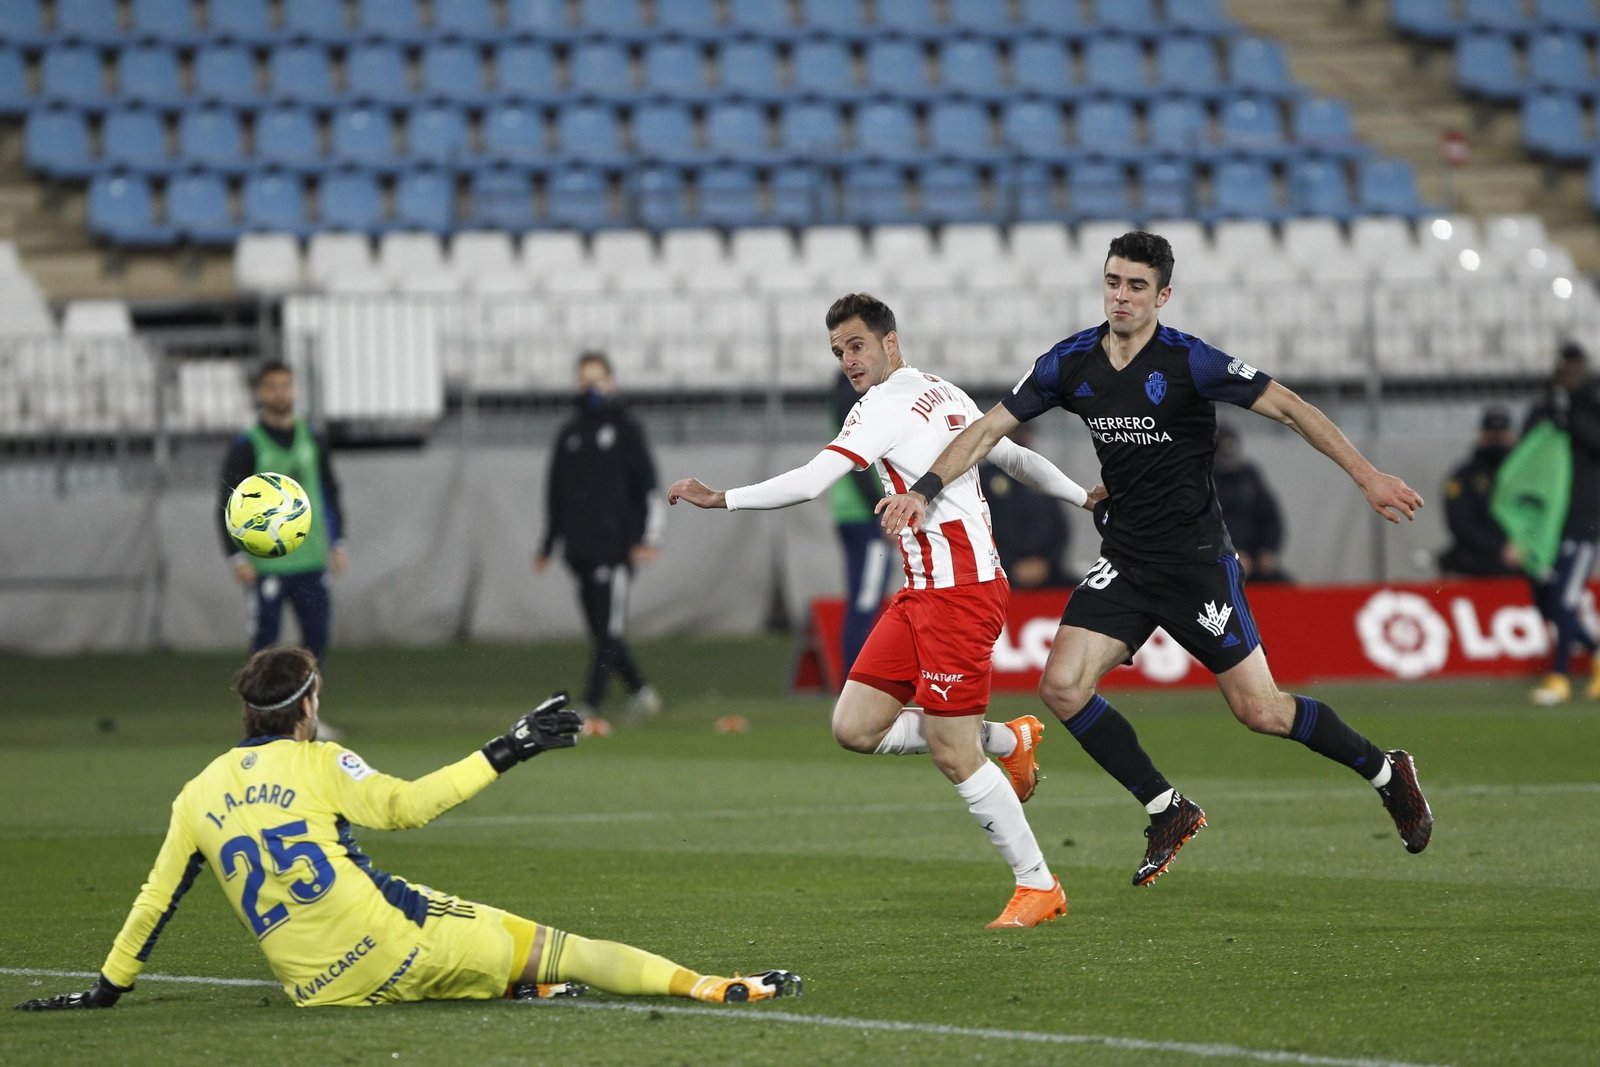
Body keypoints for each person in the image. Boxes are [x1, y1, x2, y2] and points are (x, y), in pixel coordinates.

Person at [876, 232, 1434, 888]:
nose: (1122, 295)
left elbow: (1290, 406)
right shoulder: (1070, 362)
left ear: (1162, 295)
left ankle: (1384, 770)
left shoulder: (1190, 361)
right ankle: (1167, 808)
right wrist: (924, 489)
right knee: (1061, 686)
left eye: (1137, 285)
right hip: (1128, 560)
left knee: (1261, 710)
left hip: (1197, 563)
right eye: (1114, 281)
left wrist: (1366, 476)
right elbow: (987, 429)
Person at [14, 647, 800, 1012]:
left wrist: (107, 989)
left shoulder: (196, 793)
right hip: (396, 945)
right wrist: (512, 745)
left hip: (317, 987)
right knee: (565, 946)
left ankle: (513, 980)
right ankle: (715, 985)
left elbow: (157, 899)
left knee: (442, 920)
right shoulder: (319, 759)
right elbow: (411, 805)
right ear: (307, 705)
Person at [668, 293, 1100, 929]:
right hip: (919, 593)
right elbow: (1011, 454)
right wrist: (1080, 495)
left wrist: (722, 498)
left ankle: (1038, 883)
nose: (848, 360)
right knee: (855, 727)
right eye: (839, 351)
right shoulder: (943, 391)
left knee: (953, 753)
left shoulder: (883, 407)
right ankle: (1011, 740)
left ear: (890, 341)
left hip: (963, 594)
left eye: (856, 345)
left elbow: (815, 480)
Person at [535, 353, 664, 728]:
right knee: (602, 633)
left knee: (608, 630)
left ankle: (591, 702)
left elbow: (649, 487)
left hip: (617, 549)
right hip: (579, 551)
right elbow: (554, 494)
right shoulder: (570, 434)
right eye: (585, 380)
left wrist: (648, 538)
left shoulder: (625, 429)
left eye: (598, 380)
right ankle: (641, 691)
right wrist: (547, 546)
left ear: (612, 383)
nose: (591, 388)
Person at [219, 361, 347, 667]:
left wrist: (338, 541)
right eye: (272, 387)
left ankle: (306, 711)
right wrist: (236, 557)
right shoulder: (248, 444)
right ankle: (261, 712)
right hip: (266, 563)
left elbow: (329, 490)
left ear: (295, 389)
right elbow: (227, 500)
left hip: (311, 558)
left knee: (316, 642)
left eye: (285, 385)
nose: (280, 393)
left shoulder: (312, 438)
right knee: (264, 648)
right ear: (260, 393)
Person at [1516, 345, 1600, 706]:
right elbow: (1527, 454)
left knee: (1566, 600)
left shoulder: (1591, 406)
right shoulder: (1544, 406)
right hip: (1546, 526)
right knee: (1547, 600)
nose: (1568, 372)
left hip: (1582, 522)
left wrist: (1571, 418)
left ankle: (1560, 676)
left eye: (1573, 366)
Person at [830, 368, 890, 674]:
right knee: (865, 606)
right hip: (866, 517)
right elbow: (860, 465)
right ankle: (852, 689)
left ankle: (850, 689)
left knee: (862, 604)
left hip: (850, 513)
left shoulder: (843, 399)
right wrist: (882, 514)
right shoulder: (857, 403)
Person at [980, 425, 1072, 588]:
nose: (1021, 436)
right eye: (1014, 431)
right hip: (999, 570)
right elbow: (981, 530)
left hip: (1045, 568)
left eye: (1024, 431)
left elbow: (1060, 526)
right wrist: (1010, 564)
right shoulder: (983, 479)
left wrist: (1046, 561)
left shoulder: (1042, 473)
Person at [1438, 406, 1518, 578]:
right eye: (1493, 436)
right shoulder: (1464, 477)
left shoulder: (1524, 475)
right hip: (1477, 563)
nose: (1497, 442)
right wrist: (1498, 547)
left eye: (1501, 436)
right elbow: (1460, 522)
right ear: (1483, 436)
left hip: (1520, 559)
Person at [1212, 425, 1290, 583]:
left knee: (1285, 587)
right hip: (1219, 566)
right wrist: (1231, 554)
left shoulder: (1249, 475)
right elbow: (1204, 530)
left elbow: (1270, 518)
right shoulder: (1206, 481)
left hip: (1255, 563)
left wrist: (1267, 550)